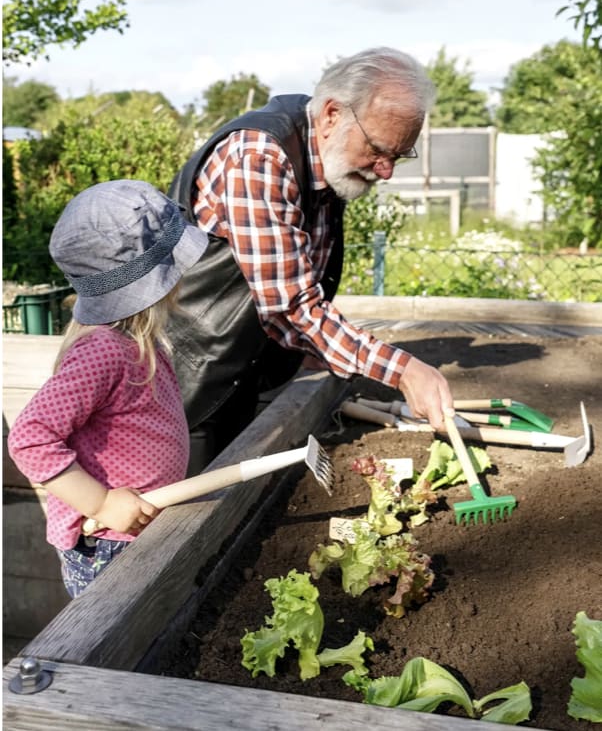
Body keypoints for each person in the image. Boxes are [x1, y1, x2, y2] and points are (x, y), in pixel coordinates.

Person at [166, 46, 454, 470]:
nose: (386, 170)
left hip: (242, 368)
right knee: (188, 501)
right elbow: (291, 303)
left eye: (398, 155)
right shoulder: (258, 156)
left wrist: (316, 350)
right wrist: (404, 370)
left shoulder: (328, 153)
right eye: (378, 149)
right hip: (188, 382)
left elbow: (298, 273)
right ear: (332, 114)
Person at [7, 180, 209, 598]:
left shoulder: (140, 343)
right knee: (113, 631)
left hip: (138, 530)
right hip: (108, 544)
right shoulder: (105, 350)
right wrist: (100, 504)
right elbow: (29, 439)